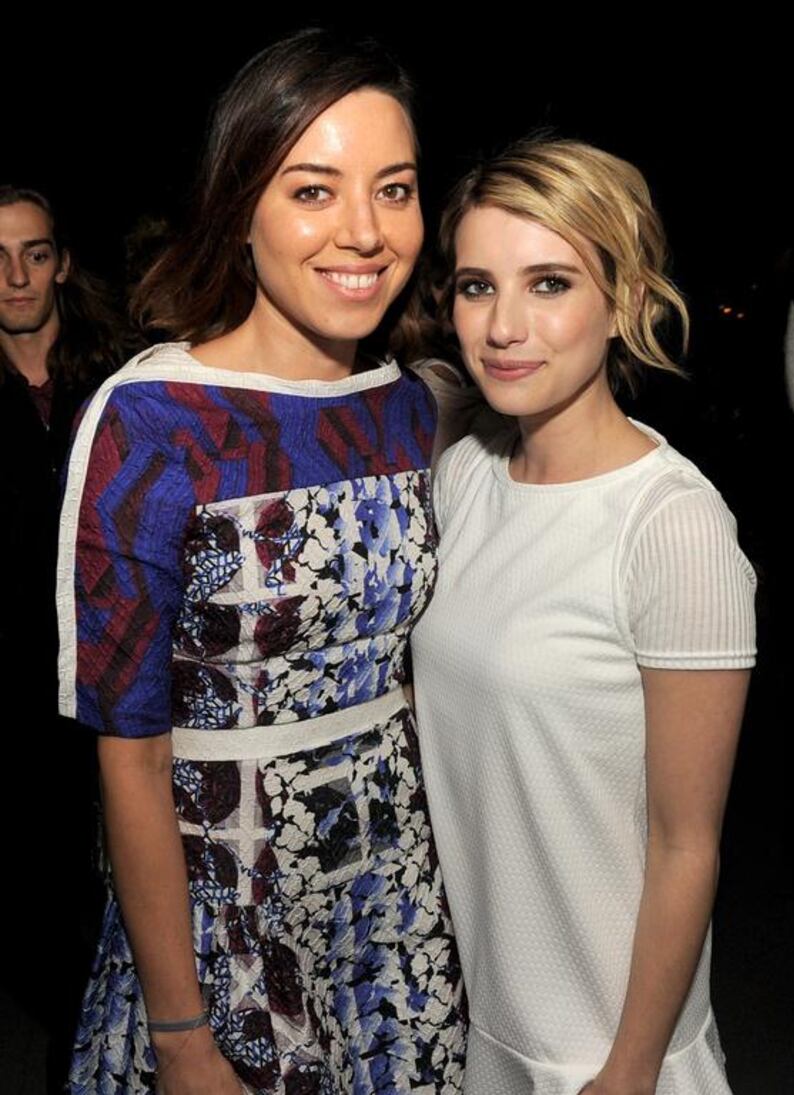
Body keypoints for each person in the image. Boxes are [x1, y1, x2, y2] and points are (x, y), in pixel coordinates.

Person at [57, 29, 465, 1095]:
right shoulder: (151, 421)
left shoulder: (406, 408)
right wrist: (183, 1034)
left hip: (393, 903)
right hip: (226, 907)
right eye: (313, 191)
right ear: (240, 204)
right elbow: (131, 759)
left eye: (394, 188)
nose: (366, 233)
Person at [411, 138, 756, 1094]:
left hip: (604, 1049)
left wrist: (629, 1069)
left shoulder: (672, 526)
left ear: (625, 302)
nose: (504, 326)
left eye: (550, 282)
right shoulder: (465, 474)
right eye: (477, 286)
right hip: (486, 1024)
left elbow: (688, 843)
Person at [0, 185, 128, 1092]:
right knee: (42, 904)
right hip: (15, 702)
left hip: (117, 679)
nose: (16, 276)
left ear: (63, 262)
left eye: (35, 253)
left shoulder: (119, 378)